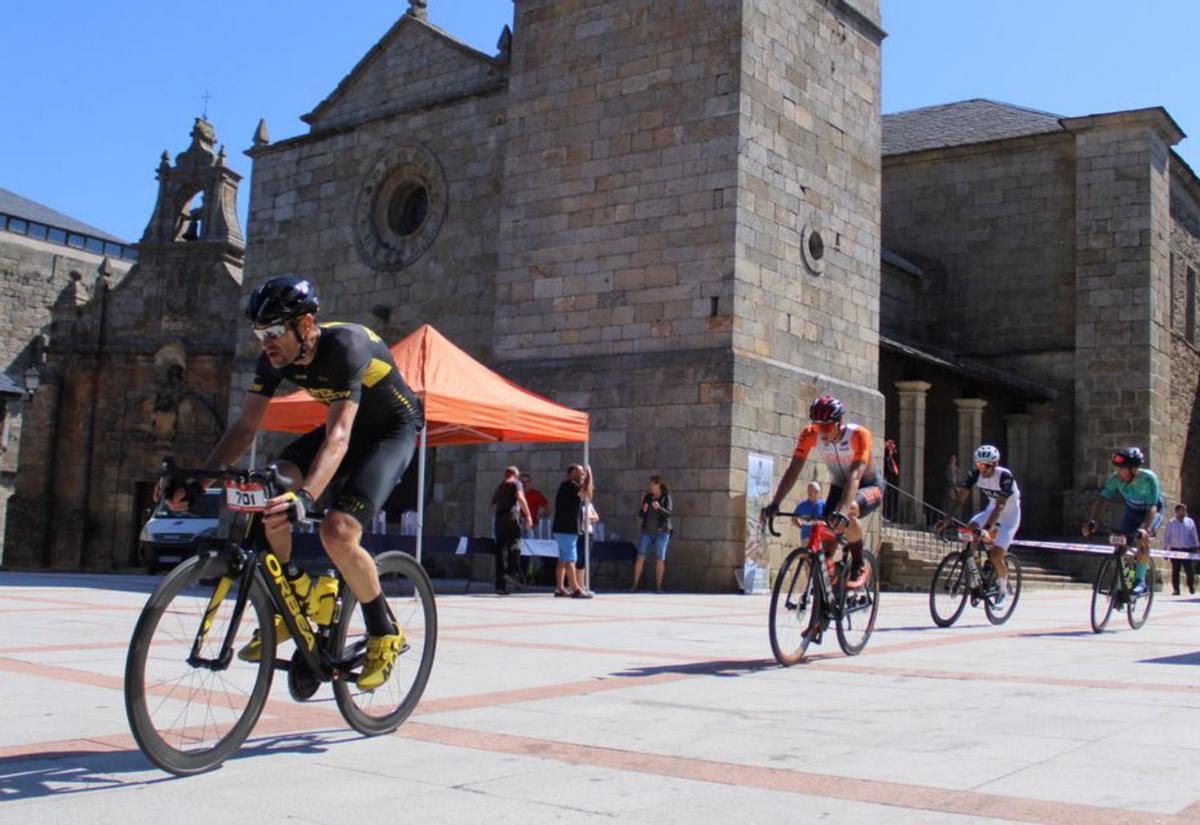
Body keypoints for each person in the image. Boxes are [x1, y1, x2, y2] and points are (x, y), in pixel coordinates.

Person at [163, 275, 423, 691]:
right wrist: (201, 480)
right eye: (259, 332)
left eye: (274, 331)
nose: (266, 342)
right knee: (271, 488)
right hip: (346, 430)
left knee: (337, 531)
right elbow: (246, 426)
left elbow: (338, 437)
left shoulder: (345, 348)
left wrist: (305, 498)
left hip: (391, 432)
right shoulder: (275, 358)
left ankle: (384, 631)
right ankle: (296, 597)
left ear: (305, 324)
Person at [759, 395, 882, 587]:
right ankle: (823, 600)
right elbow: (794, 469)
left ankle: (858, 563)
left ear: (839, 423)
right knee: (826, 547)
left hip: (868, 485)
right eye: (817, 426)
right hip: (840, 486)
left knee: (848, 511)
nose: (821, 432)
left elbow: (855, 475)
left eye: (825, 427)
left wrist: (842, 510)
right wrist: (775, 503)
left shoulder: (859, 435)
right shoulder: (810, 434)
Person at [936, 445, 1021, 607]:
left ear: (995, 464)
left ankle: (1002, 588)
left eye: (986, 465)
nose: (983, 469)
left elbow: (1001, 506)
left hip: (1009, 515)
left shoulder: (1005, 476)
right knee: (970, 528)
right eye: (979, 465)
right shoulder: (975, 474)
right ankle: (977, 571)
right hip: (991, 510)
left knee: (996, 556)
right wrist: (946, 520)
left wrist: (988, 528)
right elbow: (960, 499)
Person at [1082, 447, 1163, 597]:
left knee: (1142, 540)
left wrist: (1145, 529)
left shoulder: (1149, 479)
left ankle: (1140, 582)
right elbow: (1103, 500)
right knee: (1120, 542)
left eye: (1123, 469)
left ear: (1134, 469)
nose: (1119, 472)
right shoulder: (1116, 479)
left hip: (1151, 513)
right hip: (1132, 513)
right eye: (1118, 469)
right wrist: (1093, 521)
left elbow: (1152, 507)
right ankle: (1123, 581)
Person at [551, 464, 593, 598]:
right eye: (580, 473)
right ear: (573, 472)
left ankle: (559, 588)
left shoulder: (565, 486)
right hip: (567, 529)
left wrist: (584, 479)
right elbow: (587, 494)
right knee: (570, 559)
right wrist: (590, 476)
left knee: (562, 560)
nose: (582, 475)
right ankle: (575, 589)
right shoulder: (571, 486)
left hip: (561, 528)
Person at [492, 466, 533, 595]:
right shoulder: (516, 483)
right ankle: (511, 572)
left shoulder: (500, 486)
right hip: (511, 516)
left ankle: (500, 586)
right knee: (516, 544)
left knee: (500, 552)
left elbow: (493, 504)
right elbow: (520, 498)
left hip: (499, 519)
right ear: (515, 475)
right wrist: (527, 515)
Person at [630, 475, 673, 592]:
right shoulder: (648, 497)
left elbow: (668, 513)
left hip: (662, 532)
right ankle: (634, 585)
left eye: (652, 484)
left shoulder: (666, 497)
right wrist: (643, 511)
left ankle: (658, 587)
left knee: (660, 558)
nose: (650, 487)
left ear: (658, 484)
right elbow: (641, 514)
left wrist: (659, 508)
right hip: (647, 532)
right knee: (640, 557)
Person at [1162, 503, 1198, 596]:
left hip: (1187, 550)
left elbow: (1194, 535)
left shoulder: (1190, 522)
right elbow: (1167, 537)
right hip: (1175, 550)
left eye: (1185, 511)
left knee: (1189, 570)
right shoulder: (1171, 523)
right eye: (1182, 510)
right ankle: (1176, 590)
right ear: (1177, 511)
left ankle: (1191, 587)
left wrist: (1196, 547)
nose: (1184, 513)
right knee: (1175, 570)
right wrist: (1166, 551)